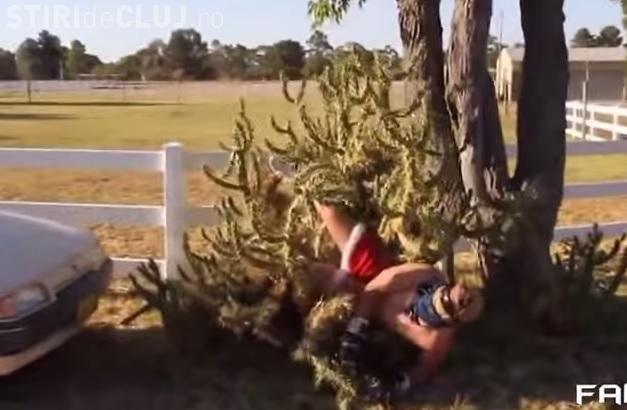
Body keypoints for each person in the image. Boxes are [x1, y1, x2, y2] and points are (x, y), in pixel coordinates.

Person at [306, 201, 484, 401]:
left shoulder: (436, 340)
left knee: (310, 289)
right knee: (328, 212)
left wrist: (393, 386)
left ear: (451, 321)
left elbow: (422, 371)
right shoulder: (426, 276)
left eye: (447, 307)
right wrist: (355, 331)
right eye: (443, 296)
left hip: (365, 318)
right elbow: (375, 286)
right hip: (371, 274)